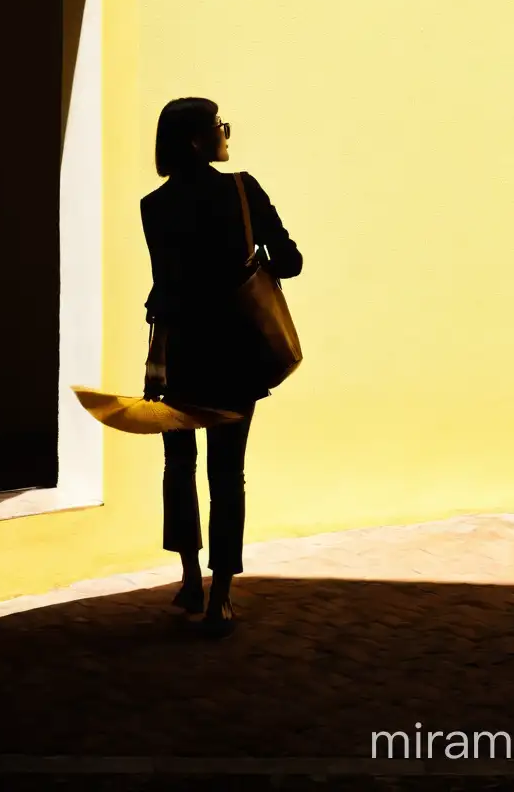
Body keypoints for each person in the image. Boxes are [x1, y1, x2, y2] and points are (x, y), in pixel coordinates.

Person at [140, 98, 303, 637]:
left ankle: (189, 579)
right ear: (197, 140)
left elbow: (164, 288)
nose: (225, 134)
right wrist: (254, 261)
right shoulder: (242, 189)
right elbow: (291, 261)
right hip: (236, 354)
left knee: (178, 469)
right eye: (218, 127)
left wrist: (154, 361)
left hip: (181, 353)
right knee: (226, 475)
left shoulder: (153, 206)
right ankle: (222, 597)